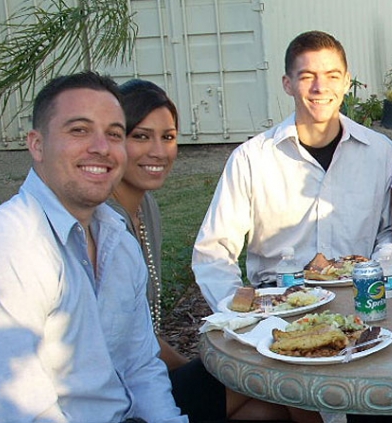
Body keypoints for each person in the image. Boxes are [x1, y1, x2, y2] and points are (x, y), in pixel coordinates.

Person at [0, 72, 186, 422]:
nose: (101, 148)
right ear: (37, 144)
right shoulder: (5, 247)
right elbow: (21, 410)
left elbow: (141, 368)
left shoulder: (117, 239)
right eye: (79, 130)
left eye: (114, 134)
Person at [108, 79, 321, 423]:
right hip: (123, 394)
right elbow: (123, 341)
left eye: (168, 137)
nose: (158, 151)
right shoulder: (107, 223)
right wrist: (200, 367)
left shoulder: (145, 208)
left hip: (148, 372)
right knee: (279, 368)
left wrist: (192, 367)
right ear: (114, 139)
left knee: (267, 411)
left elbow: (143, 331)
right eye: (141, 136)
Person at [193, 30, 392, 310]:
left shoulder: (381, 153)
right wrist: (239, 311)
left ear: (347, 82)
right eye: (306, 76)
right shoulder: (252, 159)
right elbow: (213, 250)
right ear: (287, 84)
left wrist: (375, 273)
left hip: (359, 299)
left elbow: (389, 231)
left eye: (332, 75)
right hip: (277, 304)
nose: (320, 87)